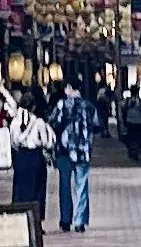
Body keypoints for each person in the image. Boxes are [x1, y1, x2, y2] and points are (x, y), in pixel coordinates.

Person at [51, 74, 95, 234]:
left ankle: (65, 220)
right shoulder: (89, 106)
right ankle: (80, 221)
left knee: (65, 186)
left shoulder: (62, 105)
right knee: (82, 185)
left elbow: (53, 122)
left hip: (64, 152)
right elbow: (97, 125)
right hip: (83, 152)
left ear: (69, 88)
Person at [8, 91, 54, 223]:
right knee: (37, 189)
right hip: (36, 157)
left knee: (20, 188)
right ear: (33, 106)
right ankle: (36, 221)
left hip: (21, 157)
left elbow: (13, 142)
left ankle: (19, 219)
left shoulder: (15, 122)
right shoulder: (39, 122)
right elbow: (46, 143)